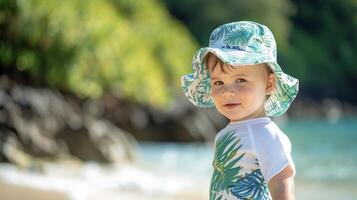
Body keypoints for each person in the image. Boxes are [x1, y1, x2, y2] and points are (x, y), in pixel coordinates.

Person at [181, 21, 299, 200]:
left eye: (241, 80)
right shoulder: (223, 135)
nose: (228, 91)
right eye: (218, 82)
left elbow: (282, 182)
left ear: (269, 84)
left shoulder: (266, 134)